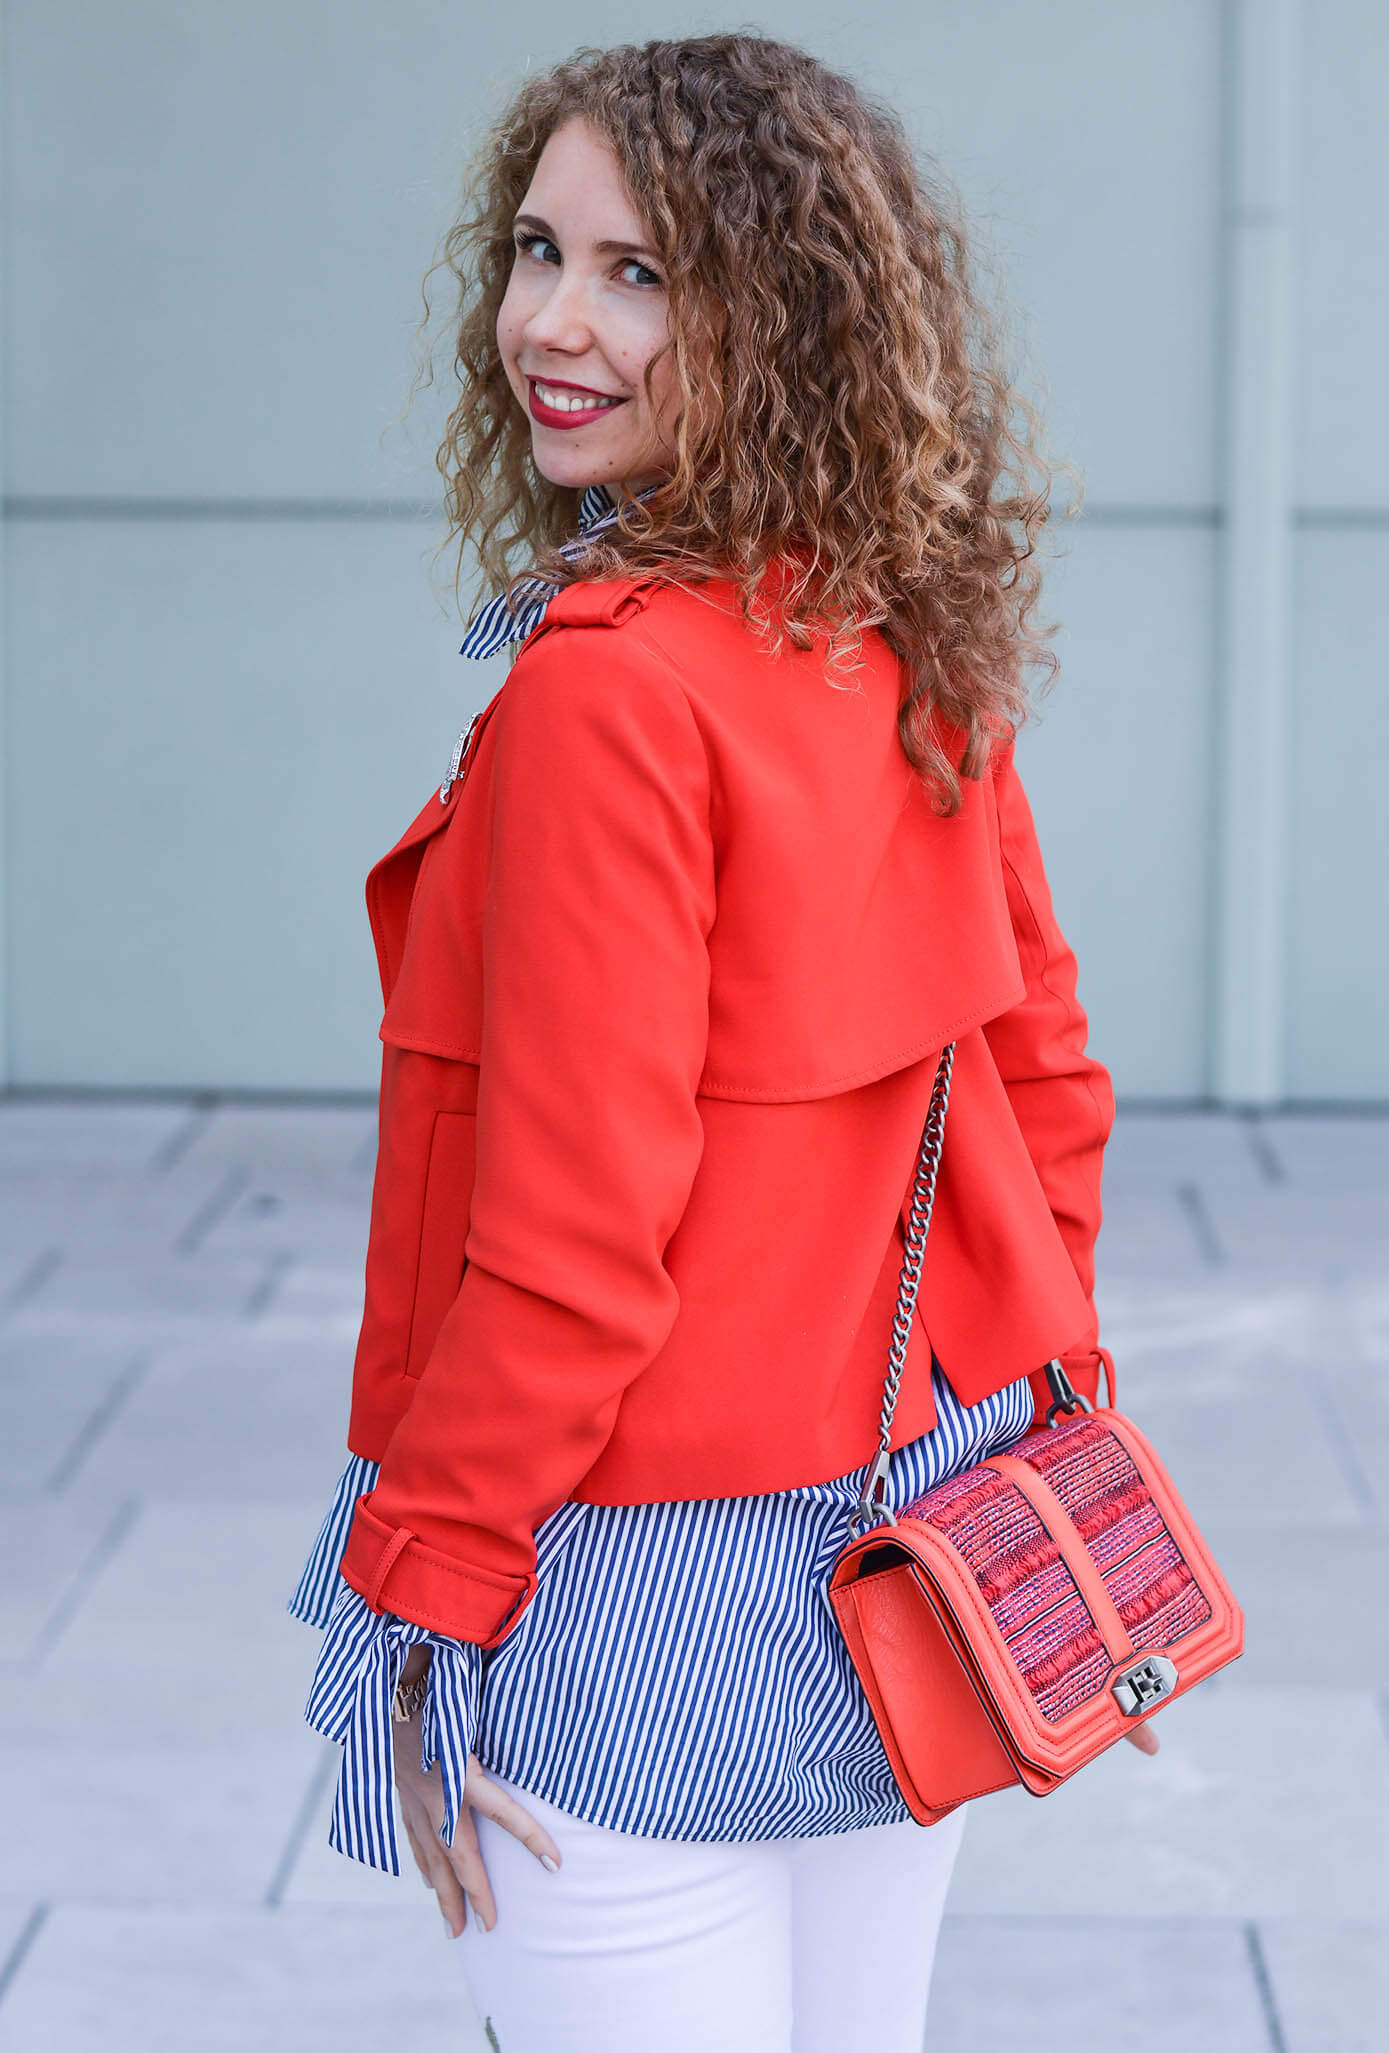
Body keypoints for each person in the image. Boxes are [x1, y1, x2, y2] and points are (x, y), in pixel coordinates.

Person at [292, 29, 1142, 2053]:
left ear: (784, 315)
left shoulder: (610, 698)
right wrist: (1021, 1405)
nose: (554, 325)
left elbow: (576, 1247)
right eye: (536, 251)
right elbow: (1051, 1086)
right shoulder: (896, 626)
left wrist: (422, 1589)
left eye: (643, 272)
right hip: (909, 1551)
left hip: (625, 1583)